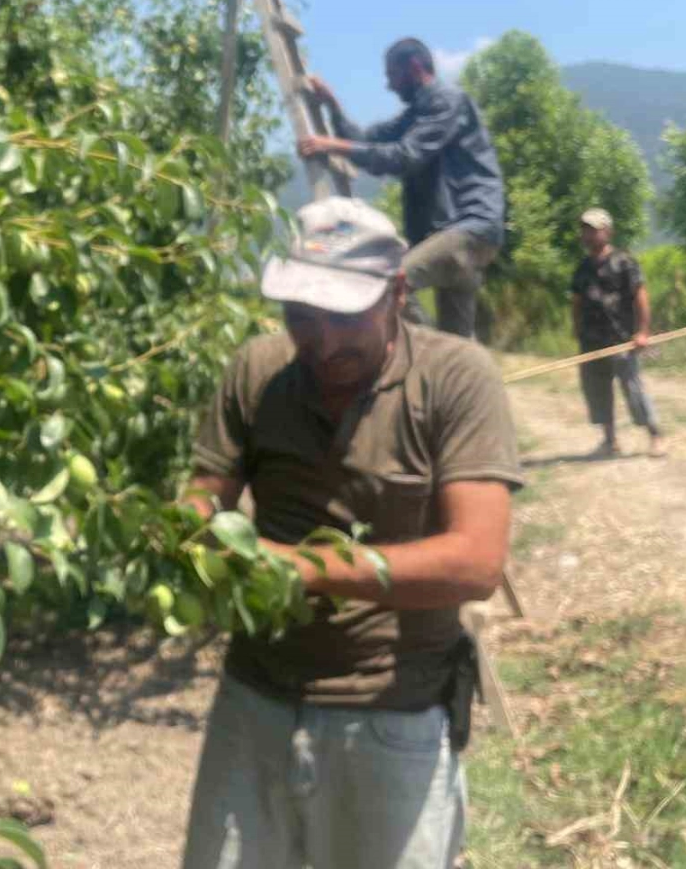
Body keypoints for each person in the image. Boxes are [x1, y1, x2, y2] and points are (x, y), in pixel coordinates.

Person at [180, 197, 522, 869]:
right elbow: (203, 498)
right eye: (302, 317)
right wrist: (187, 539)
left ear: (397, 293)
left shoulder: (456, 378)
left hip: (392, 713)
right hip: (255, 698)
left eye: (344, 317)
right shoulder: (258, 371)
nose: (324, 342)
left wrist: (294, 568)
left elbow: (476, 562)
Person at [296, 38, 506, 340]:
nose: (389, 85)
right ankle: (448, 362)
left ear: (414, 67)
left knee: (387, 283)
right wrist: (333, 106)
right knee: (456, 342)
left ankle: (427, 349)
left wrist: (332, 146)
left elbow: (405, 156)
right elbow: (367, 140)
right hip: (461, 231)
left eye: (392, 75)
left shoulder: (447, 101)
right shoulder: (417, 114)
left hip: (468, 228)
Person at [571, 208, 665, 458]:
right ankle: (610, 441)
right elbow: (577, 301)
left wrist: (642, 331)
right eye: (585, 230)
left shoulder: (624, 262)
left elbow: (640, 296)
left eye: (593, 230)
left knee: (634, 389)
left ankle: (655, 436)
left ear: (608, 232)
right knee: (597, 391)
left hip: (621, 339)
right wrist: (577, 330)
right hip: (591, 341)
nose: (588, 235)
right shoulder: (582, 267)